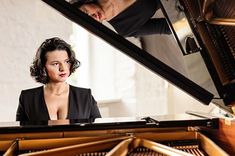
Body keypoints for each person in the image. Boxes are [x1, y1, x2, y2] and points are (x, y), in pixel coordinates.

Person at [16, 37, 101, 121]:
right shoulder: (27, 98)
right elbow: (19, 133)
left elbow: (100, 130)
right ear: (43, 67)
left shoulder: (85, 96)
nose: (63, 68)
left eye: (66, 62)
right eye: (56, 64)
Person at [70, 0, 171, 37]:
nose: (93, 17)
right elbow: (166, 27)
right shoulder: (125, 29)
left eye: (86, 12)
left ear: (85, 2)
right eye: (90, 21)